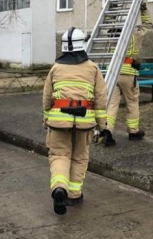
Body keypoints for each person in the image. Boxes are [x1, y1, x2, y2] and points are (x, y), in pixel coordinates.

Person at [42, 27, 108, 215]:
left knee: (59, 156)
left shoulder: (56, 68)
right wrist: (102, 126)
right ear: (82, 45)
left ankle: (59, 189)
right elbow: (100, 99)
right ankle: (74, 194)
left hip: (58, 121)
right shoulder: (92, 68)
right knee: (79, 157)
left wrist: (46, 119)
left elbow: (47, 97)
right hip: (84, 121)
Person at [101, 1, 153, 146]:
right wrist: (144, 9)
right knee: (132, 103)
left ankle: (107, 131)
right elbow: (147, 25)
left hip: (113, 73)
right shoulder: (135, 35)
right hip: (129, 73)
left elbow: (107, 22)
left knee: (112, 104)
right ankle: (133, 131)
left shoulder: (113, 36)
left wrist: (112, 9)